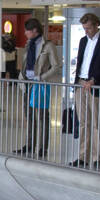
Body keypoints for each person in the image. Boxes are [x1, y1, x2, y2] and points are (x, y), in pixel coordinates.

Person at [69, 13, 100, 169]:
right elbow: (80, 62)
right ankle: (83, 157)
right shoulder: (83, 41)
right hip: (81, 85)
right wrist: (78, 82)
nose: (86, 31)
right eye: (84, 28)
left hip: (95, 86)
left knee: (97, 124)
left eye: (88, 28)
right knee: (83, 123)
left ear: (97, 25)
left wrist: (93, 80)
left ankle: (97, 158)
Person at [14, 17, 60, 158]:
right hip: (27, 83)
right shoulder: (29, 44)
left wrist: (42, 77)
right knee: (29, 115)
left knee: (42, 116)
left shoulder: (48, 46)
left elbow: (56, 66)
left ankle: (42, 148)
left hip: (39, 84)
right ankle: (29, 144)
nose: (25, 33)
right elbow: (25, 62)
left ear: (34, 30)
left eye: (27, 31)